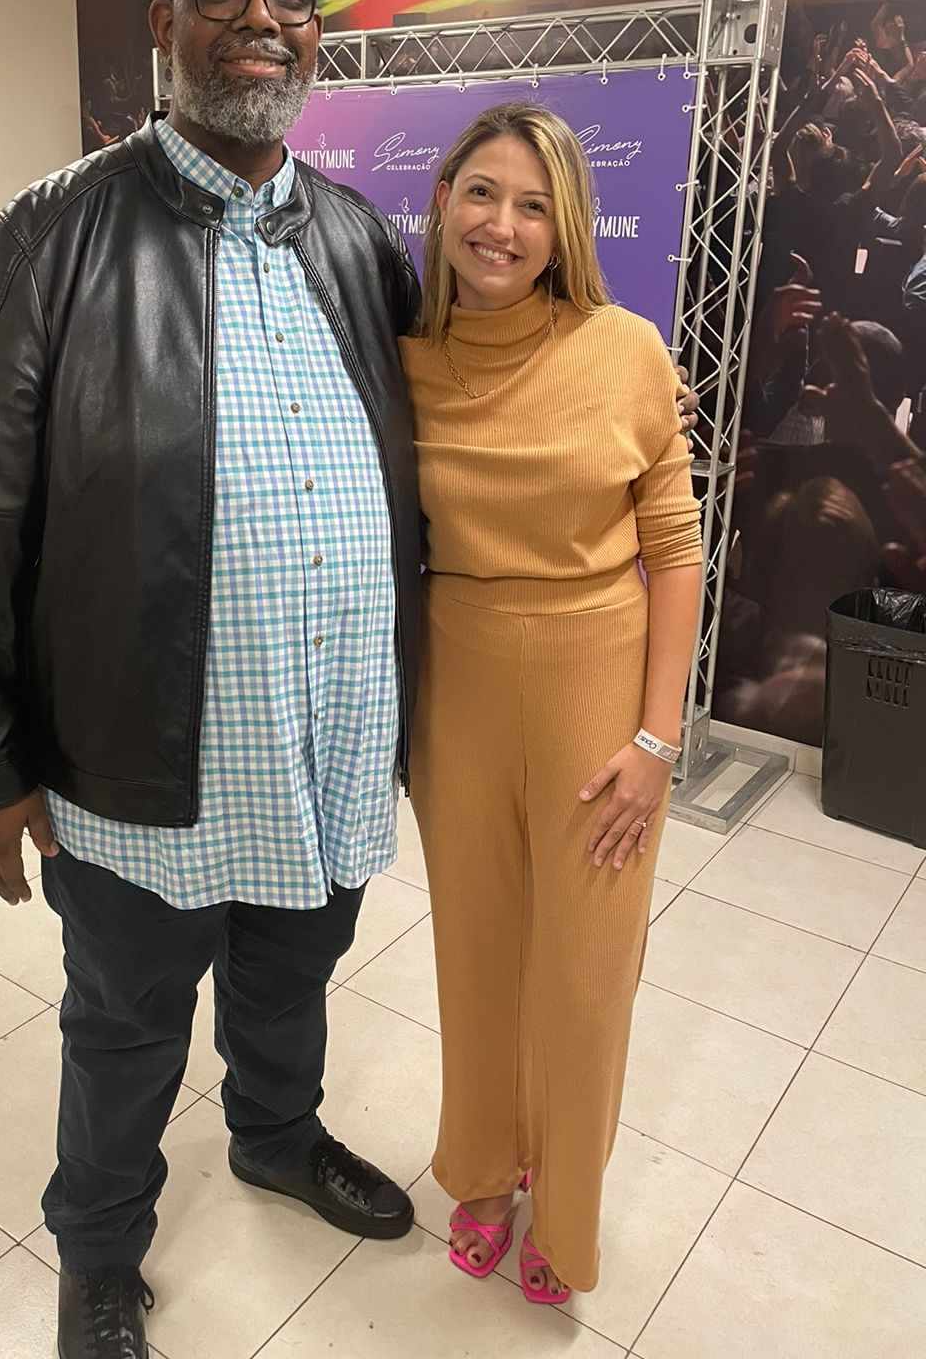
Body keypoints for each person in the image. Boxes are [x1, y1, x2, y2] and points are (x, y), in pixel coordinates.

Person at [0, 0, 425, 1359]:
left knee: (292, 975)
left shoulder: (354, 239)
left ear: (316, 30)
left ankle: (275, 1134)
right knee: (125, 1024)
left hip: (324, 738)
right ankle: (98, 1254)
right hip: (139, 762)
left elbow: (452, 432)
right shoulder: (49, 236)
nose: (261, 19)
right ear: (163, 22)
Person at [398, 103, 704, 1302]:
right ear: (442, 201)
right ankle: (482, 1169)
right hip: (458, 687)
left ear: (566, 225)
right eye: (482, 192)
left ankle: (566, 1212)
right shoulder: (404, 357)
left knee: (582, 976)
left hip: (597, 685)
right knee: (478, 954)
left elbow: (674, 550)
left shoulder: (627, 349)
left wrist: (657, 739)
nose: (503, 224)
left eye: (534, 205)